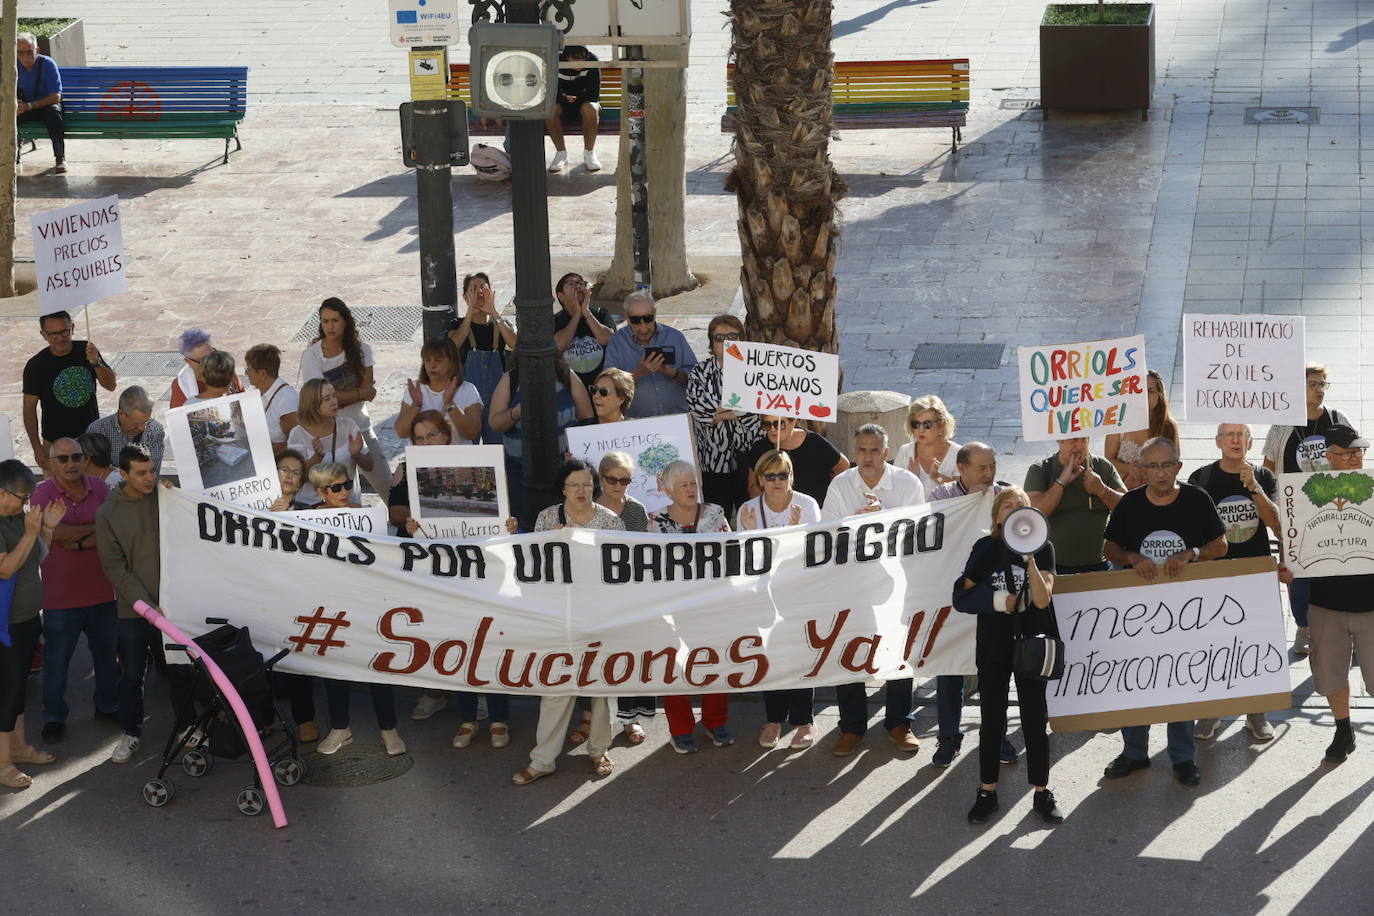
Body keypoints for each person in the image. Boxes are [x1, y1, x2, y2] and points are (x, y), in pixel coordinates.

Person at [1101, 437, 1228, 787]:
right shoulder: (1129, 504)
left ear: (1178, 466)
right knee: (1134, 679)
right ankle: (1134, 752)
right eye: (1152, 466)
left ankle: (1183, 758)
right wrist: (1131, 558)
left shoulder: (1196, 500)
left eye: (1165, 465)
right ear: (1141, 469)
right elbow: (1110, 547)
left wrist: (1192, 554)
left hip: (1186, 610)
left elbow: (1221, 545)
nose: (1159, 473)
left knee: (1180, 681)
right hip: (1137, 613)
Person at [953, 487, 1064, 826]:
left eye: (1022, 505)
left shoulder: (1043, 548)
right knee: (992, 719)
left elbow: (1044, 599)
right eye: (1008, 505)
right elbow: (961, 596)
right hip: (994, 644)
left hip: (1031, 642)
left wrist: (1029, 558)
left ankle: (1042, 792)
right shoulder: (985, 548)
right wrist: (998, 601)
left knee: (1034, 718)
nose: (1015, 509)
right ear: (998, 515)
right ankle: (987, 791)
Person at [511, 460, 624, 785]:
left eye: (587, 484)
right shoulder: (548, 518)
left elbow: (619, 571)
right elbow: (532, 567)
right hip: (558, 616)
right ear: (562, 488)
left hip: (599, 616)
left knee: (601, 688)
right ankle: (543, 759)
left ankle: (599, 750)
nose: (581, 490)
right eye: (574, 484)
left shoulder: (610, 522)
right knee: (556, 688)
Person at [822, 424, 924, 756]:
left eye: (874, 450)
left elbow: (919, 536)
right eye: (862, 450)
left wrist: (885, 521)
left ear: (886, 452)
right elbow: (827, 536)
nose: (867, 456)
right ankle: (851, 726)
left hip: (896, 583)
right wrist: (857, 521)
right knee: (848, 650)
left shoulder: (908, 484)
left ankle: (899, 722)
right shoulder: (840, 485)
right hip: (853, 585)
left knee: (897, 651)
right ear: (854, 453)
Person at [95, 445, 192, 765]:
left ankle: (188, 727)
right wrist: (148, 607)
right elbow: (114, 568)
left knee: (180, 671)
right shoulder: (108, 513)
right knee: (132, 674)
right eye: (141, 473)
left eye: (153, 470)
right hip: (133, 611)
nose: (150, 478)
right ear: (122, 474)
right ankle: (130, 732)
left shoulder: (165, 498)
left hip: (173, 605)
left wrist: (175, 494)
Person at [1189, 423, 1279, 742]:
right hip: (1216, 576)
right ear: (1218, 442)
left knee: (1256, 644)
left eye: (1242, 434)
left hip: (1254, 573)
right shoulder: (1201, 478)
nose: (1236, 439)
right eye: (1229, 434)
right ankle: (1212, 708)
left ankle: (1256, 712)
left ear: (1251, 441)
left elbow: (1276, 523)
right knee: (1215, 644)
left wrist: (1254, 487)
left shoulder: (1264, 477)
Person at [928, 443, 1015, 768]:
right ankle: (948, 737)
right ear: (962, 469)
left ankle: (998, 736)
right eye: (982, 468)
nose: (990, 474)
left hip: (991, 598)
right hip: (954, 595)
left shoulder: (1004, 496)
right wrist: (966, 506)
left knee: (994, 672)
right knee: (949, 669)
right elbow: (934, 539)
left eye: (992, 466)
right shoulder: (941, 497)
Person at [31, 438, 118, 743]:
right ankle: (54, 717)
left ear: (85, 460)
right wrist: (92, 529)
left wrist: (72, 538)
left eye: (76, 457)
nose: (70, 464)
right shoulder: (42, 493)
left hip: (103, 593)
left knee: (107, 658)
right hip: (60, 598)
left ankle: (108, 706)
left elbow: (112, 529)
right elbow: (56, 535)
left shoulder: (100, 487)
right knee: (56, 663)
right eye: (63, 459)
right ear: (51, 464)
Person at [1263, 363, 1352, 657]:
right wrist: (1276, 512)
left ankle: (1345, 629)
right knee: (1299, 574)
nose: (1319, 390)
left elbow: (1354, 462)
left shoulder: (1338, 420)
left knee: (1340, 570)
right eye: (1313, 384)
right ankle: (1304, 627)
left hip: (1334, 511)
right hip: (1294, 514)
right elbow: (1268, 470)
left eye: (1323, 384)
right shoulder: (1282, 427)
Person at [738, 450, 821, 749]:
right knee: (770, 656)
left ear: (791, 476)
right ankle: (773, 719)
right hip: (764, 596)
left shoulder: (807, 504)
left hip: (799, 594)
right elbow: (747, 562)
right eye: (770, 476)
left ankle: (804, 720)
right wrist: (750, 532)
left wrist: (796, 530)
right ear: (760, 479)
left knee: (800, 655)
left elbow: (813, 556)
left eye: (782, 475)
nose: (776, 481)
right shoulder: (748, 509)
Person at [1301, 425, 1373, 763]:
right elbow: (1295, 542)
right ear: (1328, 457)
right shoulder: (1306, 492)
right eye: (1346, 453)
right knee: (1331, 675)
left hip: (1371, 605)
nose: (1355, 457)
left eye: (1358, 451)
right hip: (1326, 603)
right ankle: (1343, 729)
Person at [0, 461, 65, 789]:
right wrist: (30, 532)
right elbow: (7, 569)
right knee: (6, 692)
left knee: (18, 688)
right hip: (5, 623)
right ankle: (2, 764)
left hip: (25, 618)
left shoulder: (13, 517)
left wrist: (47, 530)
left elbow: (34, 558)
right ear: (1, 491)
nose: (24, 504)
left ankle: (19, 747)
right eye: (21, 497)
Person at [299, 298, 391, 496]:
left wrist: (341, 396)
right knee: (336, 492)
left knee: (386, 485)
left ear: (345, 321)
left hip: (361, 425)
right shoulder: (312, 356)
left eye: (335, 320)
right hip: (328, 431)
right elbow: (318, 398)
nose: (330, 326)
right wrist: (356, 393)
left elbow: (369, 392)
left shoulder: (363, 349)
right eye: (325, 321)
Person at [489, 350, 593, 522]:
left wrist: (574, 454)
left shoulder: (566, 375)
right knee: (524, 523)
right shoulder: (511, 378)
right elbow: (495, 423)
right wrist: (516, 412)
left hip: (562, 469)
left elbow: (586, 418)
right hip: (519, 470)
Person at [595, 451, 654, 743]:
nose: (618, 485)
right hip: (594, 594)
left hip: (629, 594)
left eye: (625, 480)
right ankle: (591, 720)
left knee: (630, 657)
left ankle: (630, 721)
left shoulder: (636, 510)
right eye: (612, 479)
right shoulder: (586, 507)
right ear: (601, 478)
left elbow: (644, 553)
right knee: (596, 657)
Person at [265, 450, 319, 742]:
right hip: (263, 594)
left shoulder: (308, 511)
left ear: (300, 483)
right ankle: (263, 718)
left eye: (295, 472)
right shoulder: (253, 507)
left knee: (297, 660)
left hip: (296, 595)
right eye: (283, 469)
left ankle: (305, 719)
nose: (288, 475)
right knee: (261, 657)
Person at [686, 314, 761, 519]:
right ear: (711, 343)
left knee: (752, 516)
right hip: (713, 459)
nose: (726, 342)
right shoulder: (699, 373)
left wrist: (719, 412)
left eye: (732, 336)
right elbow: (699, 411)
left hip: (751, 456)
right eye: (719, 338)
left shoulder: (756, 371)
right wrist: (737, 410)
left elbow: (757, 412)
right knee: (716, 519)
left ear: (742, 340)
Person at [23, 311, 116, 472]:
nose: (60, 338)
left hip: (90, 442)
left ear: (72, 328)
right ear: (43, 334)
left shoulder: (87, 350)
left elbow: (111, 385)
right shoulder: (36, 365)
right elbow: (29, 408)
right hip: (56, 445)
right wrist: (37, 449)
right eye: (53, 334)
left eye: (64, 331)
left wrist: (97, 363)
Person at [1024, 437, 1124, 574]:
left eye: (1084, 440)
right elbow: (1035, 514)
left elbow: (1127, 509)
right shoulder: (1041, 469)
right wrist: (1061, 482)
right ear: (1060, 440)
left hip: (1100, 565)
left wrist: (1102, 490)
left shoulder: (1102, 466)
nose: (1079, 446)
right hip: (1053, 567)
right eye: (1074, 440)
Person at [604, 291, 698, 418]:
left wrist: (672, 373)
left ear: (654, 314)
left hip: (677, 418)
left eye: (648, 319)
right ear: (627, 318)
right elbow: (607, 388)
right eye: (636, 320)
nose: (643, 327)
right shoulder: (617, 342)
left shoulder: (675, 337)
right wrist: (638, 373)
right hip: (638, 422)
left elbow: (696, 380)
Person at [447, 271, 516, 444]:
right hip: (467, 402)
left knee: (497, 452)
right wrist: (470, 312)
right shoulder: (457, 325)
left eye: (483, 288)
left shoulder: (500, 324)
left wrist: (493, 312)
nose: (478, 292)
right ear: (464, 296)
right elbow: (452, 346)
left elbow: (516, 344)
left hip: (497, 402)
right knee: (467, 451)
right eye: (473, 288)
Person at [287, 380, 374, 507]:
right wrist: (317, 458)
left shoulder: (348, 426)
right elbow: (297, 480)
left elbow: (370, 465)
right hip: (313, 509)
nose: (334, 402)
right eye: (327, 399)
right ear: (312, 404)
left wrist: (357, 455)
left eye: (334, 396)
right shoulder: (297, 435)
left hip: (348, 506)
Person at [743, 414, 849, 506]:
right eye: (766, 424)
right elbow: (753, 486)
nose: (772, 429)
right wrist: (764, 512)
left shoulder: (815, 442)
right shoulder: (759, 448)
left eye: (779, 424)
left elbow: (843, 466)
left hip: (813, 515)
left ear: (793, 421)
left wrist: (830, 498)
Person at [397, 336, 482, 444]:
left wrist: (450, 405)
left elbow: (471, 433)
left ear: (452, 362)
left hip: (458, 458)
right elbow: (401, 432)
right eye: (428, 360)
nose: (432, 365)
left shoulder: (468, 390)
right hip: (421, 459)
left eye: (438, 360)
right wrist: (416, 406)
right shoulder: (416, 389)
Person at [1105, 370, 1179, 490]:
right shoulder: (1118, 422)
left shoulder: (1169, 426)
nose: (1144, 395)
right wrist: (1129, 468)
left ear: (1159, 394)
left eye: (1150, 391)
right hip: (1124, 492)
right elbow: (1108, 461)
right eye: (1140, 390)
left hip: (1159, 492)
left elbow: (1175, 464)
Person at [552, 272, 616, 389]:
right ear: (560, 296)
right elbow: (559, 345)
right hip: (570, 389)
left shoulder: (601, 314)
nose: (577, 286)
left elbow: (608, 339)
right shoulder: (555, 321)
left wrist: (585, 311)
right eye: (571, 284)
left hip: (600, 388)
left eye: (580, 283)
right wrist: (576, 314)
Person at [546, 45, 602, 172]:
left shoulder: (592, 60)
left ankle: (589, 153)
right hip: (562, 104)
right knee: (550, 110)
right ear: (566, 58)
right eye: (575, 58)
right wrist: (564, 97)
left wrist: (576, 97)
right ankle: (561, 154)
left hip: (584, 104)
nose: (580, 62)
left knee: (591, 108)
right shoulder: (555, 61)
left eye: (583, 58)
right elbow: (549, 91)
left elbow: (593, 94)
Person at [16, 32, 65, 173]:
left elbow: (56, 97)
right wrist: (13, 104)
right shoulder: (12, 66)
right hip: (23, 107)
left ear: (37, 50)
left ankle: (60, 157)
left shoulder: (48, 64)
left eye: (29, 52)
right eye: (20, 52)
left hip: (46, 107)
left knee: (54, 113)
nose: (25, 57)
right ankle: (10, 155)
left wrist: (30, 106)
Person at [85, 386, 165, 472]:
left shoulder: (155, 430)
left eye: (146, 421)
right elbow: (91, 471)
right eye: (136, 423)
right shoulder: (97, 430)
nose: (143, 428)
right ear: (121, 413)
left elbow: (153, 474)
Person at [894, 395, 960, 492]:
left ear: (941, 425)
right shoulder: (905, 452)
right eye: (916, 424)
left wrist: (937, 477)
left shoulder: (958, 453)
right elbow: (896, 491)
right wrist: (913, 480)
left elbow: (961, 493)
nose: (921, 430)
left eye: (927, 424)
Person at [244, 345, 299, 457]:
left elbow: (297, 443)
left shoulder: (287, 401)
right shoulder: (255, 391)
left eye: (248, 369)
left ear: (262, 374)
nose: (246, 373)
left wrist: (278, 448)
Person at [169, 328, 244, 408]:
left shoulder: (225, 370)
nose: (211, 362)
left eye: (212, 355)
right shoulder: (182, 385)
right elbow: (178, 416)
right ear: (188, 361)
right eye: (202, 360)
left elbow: (243, 398)